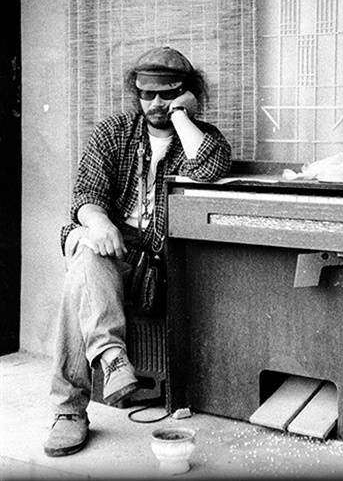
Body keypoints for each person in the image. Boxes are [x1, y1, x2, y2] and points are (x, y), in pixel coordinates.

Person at [44, 46, 232, 457]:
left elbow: (209, 169)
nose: (156, 103)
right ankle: (112, 360)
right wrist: (99, 224)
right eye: (147, 94)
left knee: (79, 277)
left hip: (161, 266)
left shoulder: (201, 139)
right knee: (86, 250)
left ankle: (69, 410)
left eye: (168, 94)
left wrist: (182, 117)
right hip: (110, 247)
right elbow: (86, 196)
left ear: (187, 93)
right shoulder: (113, 132)